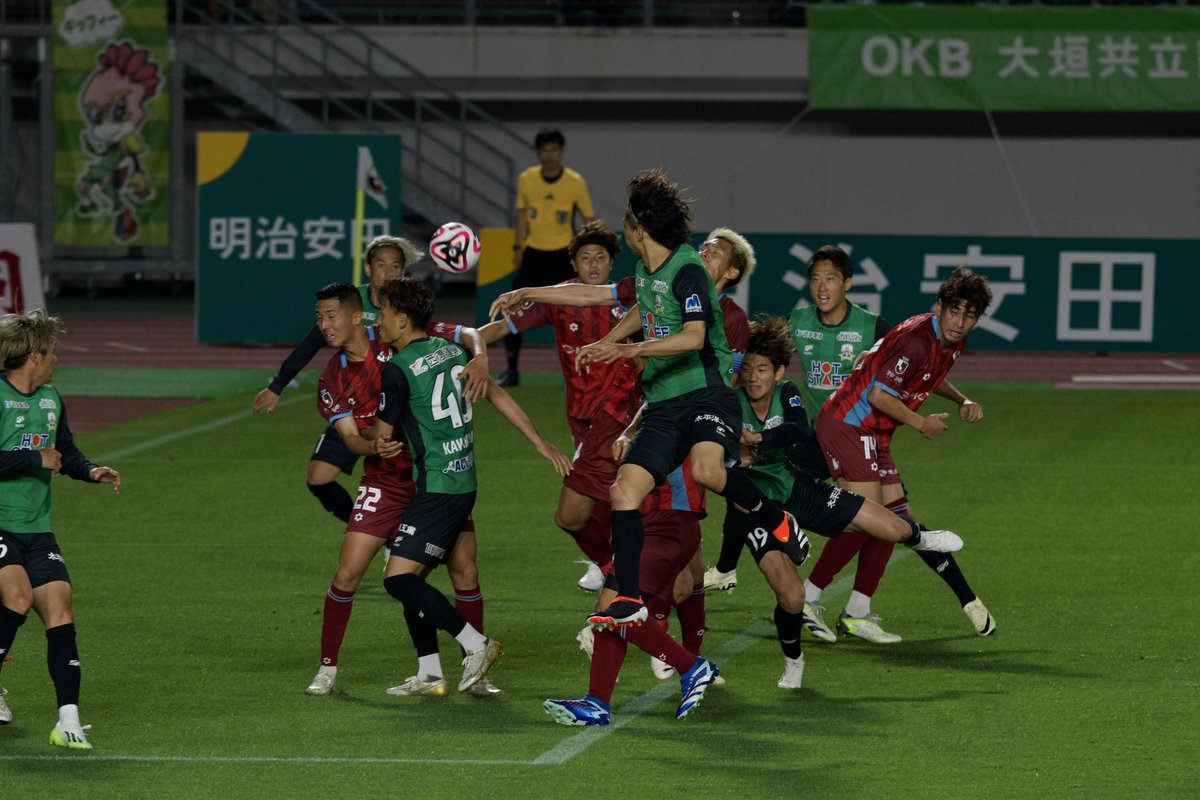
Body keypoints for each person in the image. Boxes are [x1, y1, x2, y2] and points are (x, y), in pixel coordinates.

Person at [573, 168, 802, 629]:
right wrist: (609, 342)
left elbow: (695, 336)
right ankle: (630, 598)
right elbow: (646, 307)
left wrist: (626, 348)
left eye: (626, 222)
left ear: (639, 230)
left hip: (706, 394)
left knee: (707, 470)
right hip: (662, 403)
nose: (624, 229)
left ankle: (776, 516)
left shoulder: (689, 268)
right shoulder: (645, 270)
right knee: (624, 493)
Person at [300, 284, 543, 698]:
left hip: (431, 477)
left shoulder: (397, 334)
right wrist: (371, 444)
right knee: (348, 574)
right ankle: (328, 669)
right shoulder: (333, 376)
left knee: (461, 571)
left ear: (358, 316)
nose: (323, 326)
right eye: (319, 318)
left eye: (330, 316)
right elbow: (350, 439)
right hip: (385, 481)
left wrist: (481, 358)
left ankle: (462, 670)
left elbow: (469, 334)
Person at [722, 316, 964, 688]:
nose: (754, 377)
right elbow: (721, 468)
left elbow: (798, 429)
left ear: (779, 372)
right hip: (758, 511)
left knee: (889, 524)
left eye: (763, 369)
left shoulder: (787, 393)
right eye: (749, 369)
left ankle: (921, 538)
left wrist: (756, 442)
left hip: (800, 490)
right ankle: (793, 661)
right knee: (791, 595)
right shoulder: (729, 405)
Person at [372, 277, 570, 693]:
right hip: (463, 481)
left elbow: (384, 435)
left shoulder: (397, 368)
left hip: (439, 487)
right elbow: (494, 392)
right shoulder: (452, 351)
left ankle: (475, 644)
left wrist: (375, 438)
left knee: (398, 579)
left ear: (403, 319)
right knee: (419, 580)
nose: (379, 321)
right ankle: (430, 673)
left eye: (384, 312)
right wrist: (539, 441)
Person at [812, 265, 995, 643]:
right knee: (870, 518)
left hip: (874, 431)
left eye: (970, 315)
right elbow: (880, 395)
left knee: (893, 519)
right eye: (955, 310)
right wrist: (919, 423)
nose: (960, 322)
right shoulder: (917, 339)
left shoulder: (946, 342)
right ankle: (805, 597)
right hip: (849, 422)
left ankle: (857, 612)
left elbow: (929, 375)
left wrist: (962, 398)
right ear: (940, 306)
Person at [251, 235, 489, 523]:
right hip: (356, 401)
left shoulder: (405, 306)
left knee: (412, 475)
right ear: (368, 269)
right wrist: (277, 386)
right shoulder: (349, 303)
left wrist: (477, 355)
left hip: (399, 407)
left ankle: (406, 529)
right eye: (381, 265)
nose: (388, 272)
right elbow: (311, 344)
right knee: (318, 478)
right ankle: (372, 526)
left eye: (395, 266)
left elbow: (436, 340)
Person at [478, 221, 635, 592]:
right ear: (575, 265)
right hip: (579, 412)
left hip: (619, 410)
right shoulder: (557, 298)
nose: (593, 264)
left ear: (612, 263)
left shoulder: (629, 298)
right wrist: (458, 343)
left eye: (601, 257)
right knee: (601, 494)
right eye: (585, 258)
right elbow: (501, 328)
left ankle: (617, 569)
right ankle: (613, 564)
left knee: (578, 506)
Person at [0, 309, 121, 749]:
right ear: (33, 356)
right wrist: (35, 459)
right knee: (15, 598)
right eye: (52, 353)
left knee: (61, 610)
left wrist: (90, 471)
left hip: (37, 528)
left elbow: (63, 451)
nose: (57, 361)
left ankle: (68, 721)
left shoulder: (50, 397)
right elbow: (41, 457)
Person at [543, 461, 720, 726]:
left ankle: (690, 666)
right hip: (650, 523)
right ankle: (596, 703)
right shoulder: (653, 425)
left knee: (614, 607)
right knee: (610, 610)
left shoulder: (675, 425)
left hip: (666, 522)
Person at [500, 128, 595, 387]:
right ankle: (511, 368)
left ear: (561, 152)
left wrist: (590, 251)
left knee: (576, 312)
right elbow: (521, 215)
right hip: (534, 254)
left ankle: (585, 367)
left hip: (563, 255)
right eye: (544, 150)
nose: (549, 155)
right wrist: (518, 248)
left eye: (554, 149)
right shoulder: (527, 179)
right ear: (538, 152)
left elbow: (588, 220)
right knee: (513, 305)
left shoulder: (575, 182)